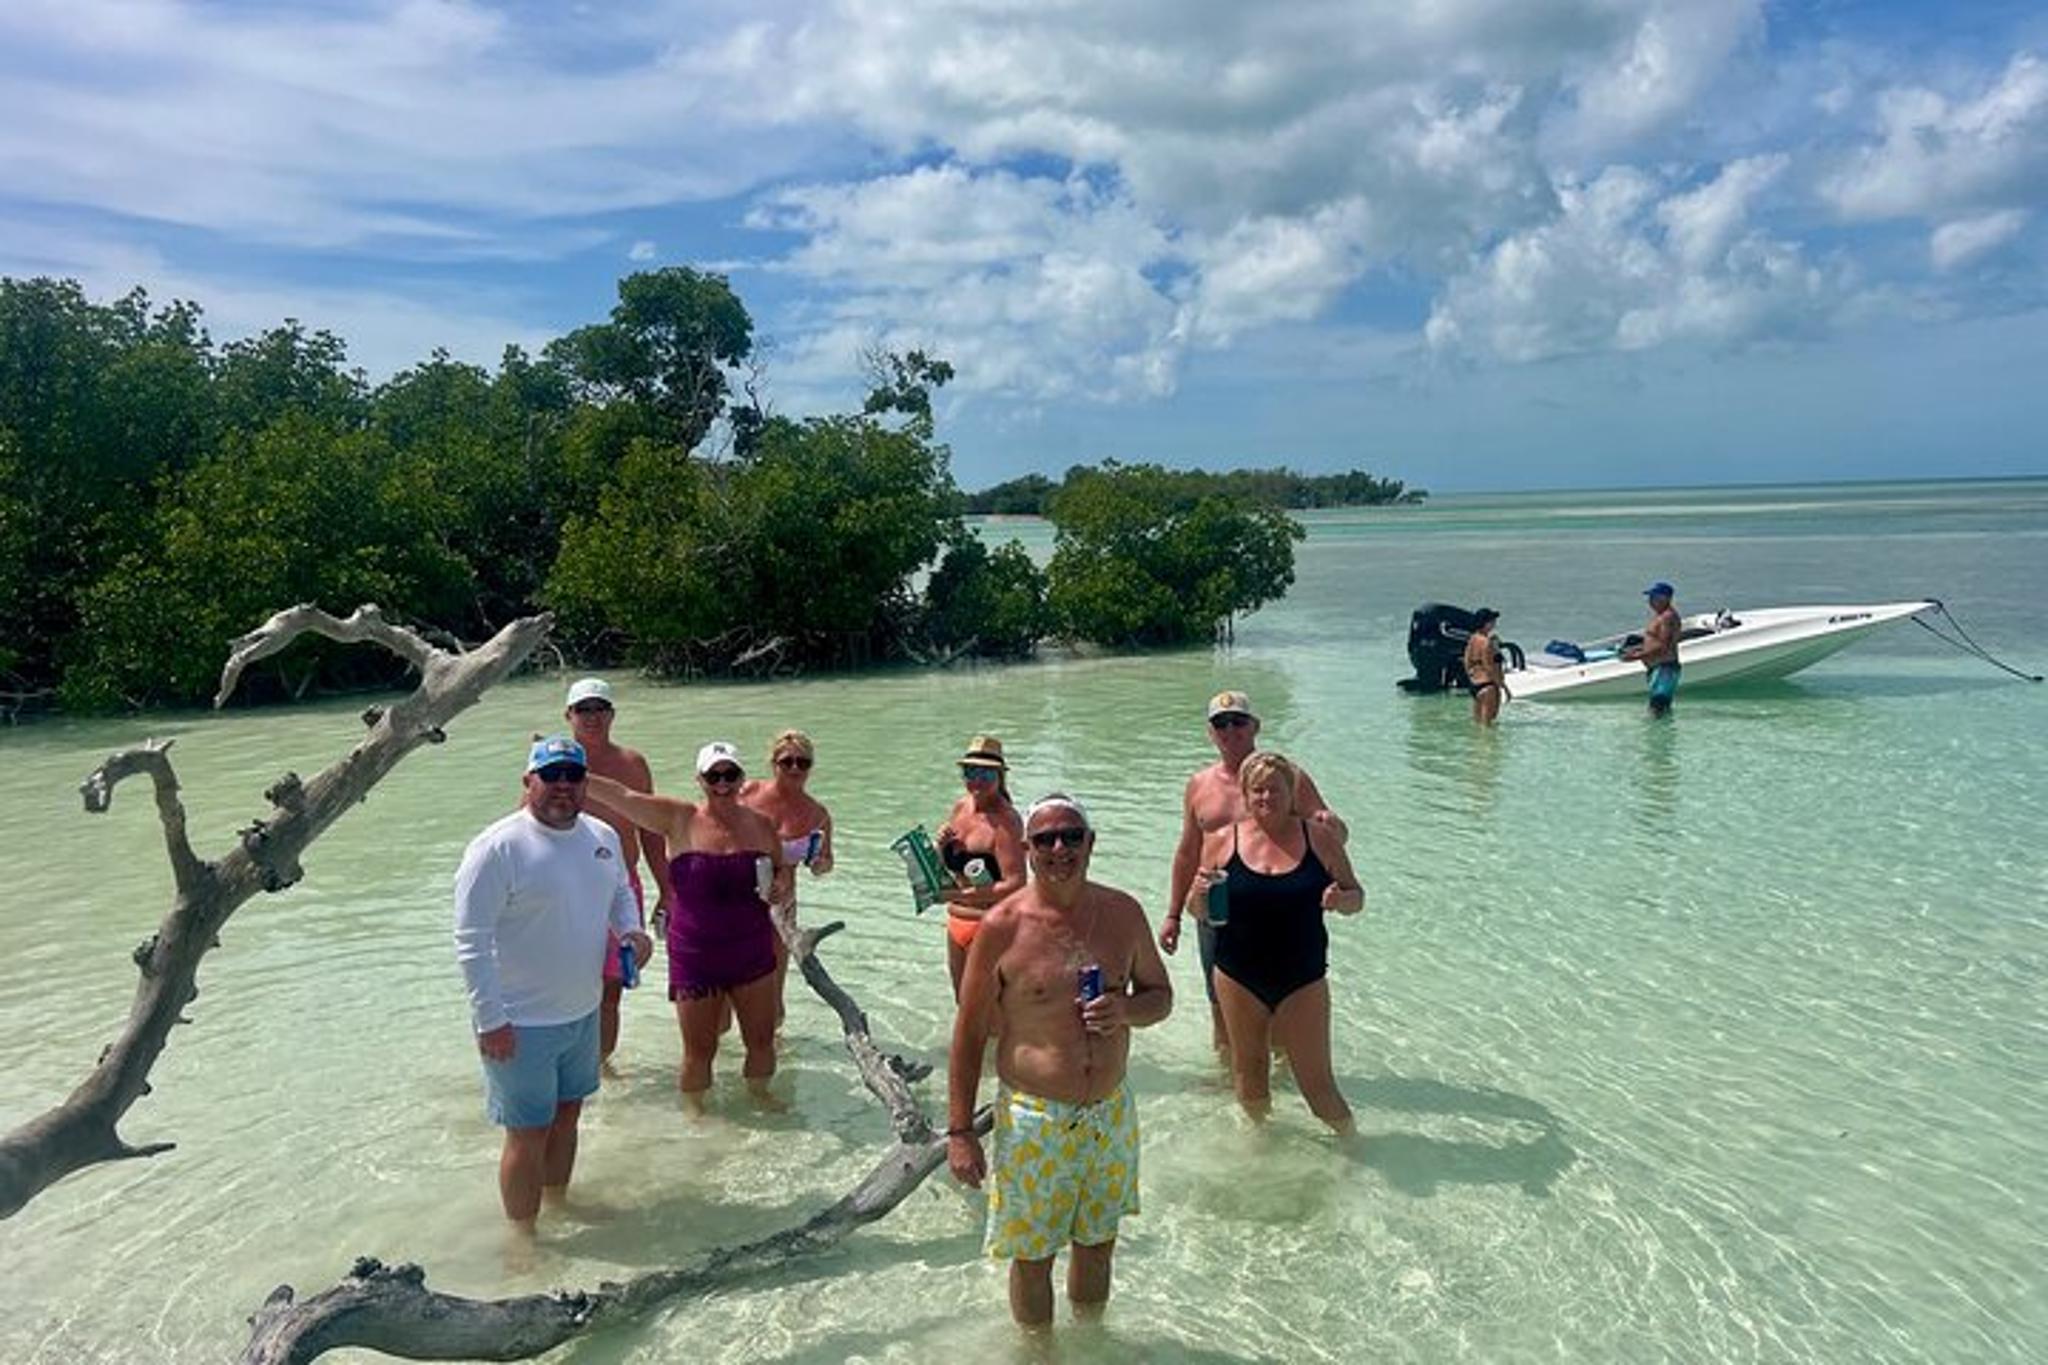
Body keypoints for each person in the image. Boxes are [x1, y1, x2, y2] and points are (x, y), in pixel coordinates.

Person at [947, 794, 1173, 1330]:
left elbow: (1160, 997)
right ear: (1026, 850)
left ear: (1091, 843)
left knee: (1098, 1244)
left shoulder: (1122, 913)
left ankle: (1092, 1346)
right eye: (1045, 839)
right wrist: (959, 1131)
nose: (1059, 848)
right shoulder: (1003, 926)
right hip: (1034, 1117)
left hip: (1111, 1113)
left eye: (1072, 836)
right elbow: (970, 1029)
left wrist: (1126, 1010)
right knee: (1033, 1256)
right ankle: (1039, 1355)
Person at [453, 736, 653, 1227]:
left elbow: (621, 892)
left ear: (586, 782)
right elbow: (471, 941)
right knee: (527, 1132)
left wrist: (633, 932)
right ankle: (524, 1239)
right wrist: (490, 1020)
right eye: (551, 775)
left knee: (568, 1117)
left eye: (573, 775)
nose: (563, 785)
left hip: (582, 1012)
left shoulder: (602, 835)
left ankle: (559, 1206)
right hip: (519, 1023)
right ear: (529, 781)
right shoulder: (495, 848)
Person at [585, 741, 790, 1108]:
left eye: (730, 774)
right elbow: (623, 796)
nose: (722, 783)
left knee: (761, 1042)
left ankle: (762, 1100)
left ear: (742, 778)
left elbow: (779, 871)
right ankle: (697, 1118)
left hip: (752, 947)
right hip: (696, 954)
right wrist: (567, 775)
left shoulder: (760, 825)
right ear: (700, 779)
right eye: (714, 775)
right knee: (699, 1052)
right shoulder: (678, 818)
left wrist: (779, 885)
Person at [1161, 692, 1347, 1055]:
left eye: (1238, 721)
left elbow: (1329, 835)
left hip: (1274, 905)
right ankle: (1229, 1079)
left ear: (1255, 726)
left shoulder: (1286, 776)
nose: (1230, 730)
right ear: (1210, 733)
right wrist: (1172, 914)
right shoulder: (1199, 784)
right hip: (1217, 905)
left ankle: (1281, 1077)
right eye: (1220, 724)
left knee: (1279, 997)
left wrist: (1335, 826)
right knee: (1218, 997)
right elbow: (1187, 852)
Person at [1187, 752, 1365, 1130]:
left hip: (1303, 979)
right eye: (1258, 791)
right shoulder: (1221, 841)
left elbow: (1357, 897)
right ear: (1246, 796)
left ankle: (1354, 1149)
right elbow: (1196, 909)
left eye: (1276, 789)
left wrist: (1341, 900)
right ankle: (1260, 1154)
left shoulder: (1319, 839)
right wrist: (1198, 896)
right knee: (1250, 1078)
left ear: (1292, 794)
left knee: (1317, 1087)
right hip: (1237, 975)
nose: (1266, 798)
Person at [560, 677, 672, 1071]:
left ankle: (600, 1067)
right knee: (568, 985)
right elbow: (526, 826)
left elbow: (651, 830)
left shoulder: (632, 764)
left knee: (611, 988)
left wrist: (667, 889)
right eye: (583, 710)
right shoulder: (553, 764)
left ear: (612, 714)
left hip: (621, 888)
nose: (592, 717)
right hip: (564, 892)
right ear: (568, 716)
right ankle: (569, 1061)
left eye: (599, 708)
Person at [740, 730, 835, 1020]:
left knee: (773, 981)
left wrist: (819, 864)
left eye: (803, 763)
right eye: (787, 762)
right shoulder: (748, 793)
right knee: (733, 978)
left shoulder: (817, 814)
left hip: (782, 904)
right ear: (773, 764)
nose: (795, 769)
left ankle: (775, 1051)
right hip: (738, 896)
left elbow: (826, 863)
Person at [934, 735, 1027, 999]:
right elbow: (950, 868)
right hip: (956, 921)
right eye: (970, 772)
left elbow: (1016, 884)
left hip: (990, 924)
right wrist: (940, 846)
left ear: (999, 777)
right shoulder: (961, 807)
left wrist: (956, 895)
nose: (976, 781)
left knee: (992, 1013)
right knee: (964, 1005)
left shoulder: (1006, 821)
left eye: (985, 774)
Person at [1623, 582, 1682, 716]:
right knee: (1660, 711)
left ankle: (1658, 737)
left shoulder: (1667, 617)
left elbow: (1663, 646)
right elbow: (1655, 642)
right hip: (1658, 668)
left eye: (1653, 597)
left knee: (1656, 711)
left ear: (1665, 598)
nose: (1649, 601)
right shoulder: (1661, 616)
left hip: (1665, 669)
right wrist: (1638, 649)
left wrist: (1636, 656)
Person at [1463, 609, 1508, 725]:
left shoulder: (1473, 639)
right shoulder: (1486, 642)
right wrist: (1503, 686)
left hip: (1474, 684)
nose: (1494, 623)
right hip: (1488, 685)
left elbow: (1467, 662)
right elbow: (1489, 667)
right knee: (1487, 726)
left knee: (1477, 724)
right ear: (1485, 623)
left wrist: (1473, 677)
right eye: (1492, 621)